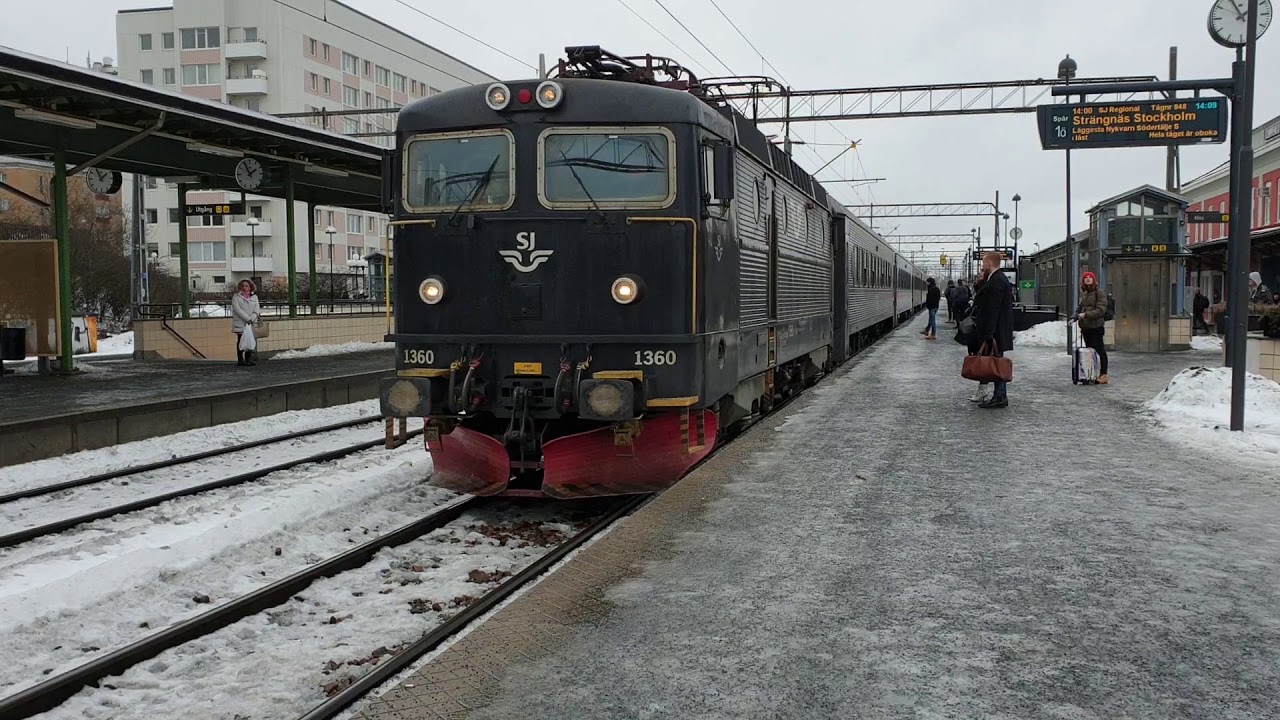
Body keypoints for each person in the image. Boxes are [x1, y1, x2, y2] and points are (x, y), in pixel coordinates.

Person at [969, 252, 1014, 408]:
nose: (982, 266)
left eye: (983, 263)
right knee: (996, 362)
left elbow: (993, 309)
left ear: (989, 263)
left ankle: (1000, 397)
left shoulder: (996, 281)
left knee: (996, 363)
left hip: (995, 330)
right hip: (996, 329)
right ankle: (999, 395)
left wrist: (989, 333)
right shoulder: (996, 279)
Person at [1074, 271, 1110, 385]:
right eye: (1086, 278)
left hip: (1096, 326)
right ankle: (1090, 374)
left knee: (1100, 350)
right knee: (1089, 352)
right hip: (1086, 327)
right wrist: (1074, 317)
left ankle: (1103, 374)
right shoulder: (1085, 293)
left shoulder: (1099, 293)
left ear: (1094, 280)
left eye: (1090, 277)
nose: (1088, 279)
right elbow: (1081, 307)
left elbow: (1101, 310)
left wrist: (1086, 315)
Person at [231, 279, 262, 366]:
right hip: (241, 322)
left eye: (246, 286)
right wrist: (247, 318)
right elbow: (237, 309)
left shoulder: (254, 297)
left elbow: (256, 309)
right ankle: (240, 359)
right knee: (241, 340)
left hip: (251, 323)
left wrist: (252, 318)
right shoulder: (236, 297)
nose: (244, 288)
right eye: (242, 286)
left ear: (250, 287)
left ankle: (248, 359)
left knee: (250, 339)